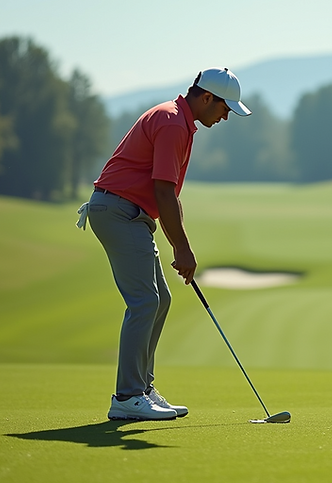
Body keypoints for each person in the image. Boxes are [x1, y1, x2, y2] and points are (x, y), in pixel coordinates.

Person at [76, 67, 252, 421]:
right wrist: (182, 249)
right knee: (144, 302)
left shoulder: (179, 122)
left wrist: (180, 243)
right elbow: (162, 191)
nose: (226, 116)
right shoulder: (173, 123)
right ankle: (127, 396)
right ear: (206, 98)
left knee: (161, 299)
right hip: (118, 210)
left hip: (128, 212)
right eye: (224, 108)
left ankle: (142, 389)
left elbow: (168, 192)